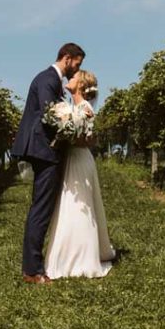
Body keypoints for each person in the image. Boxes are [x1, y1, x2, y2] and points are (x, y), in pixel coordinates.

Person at [10, 42, 85, 284]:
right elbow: (50, 113)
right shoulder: (47, 79)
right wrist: (73, 126)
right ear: (67, 57)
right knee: (40, 209)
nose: (77, 69)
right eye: (77, 63)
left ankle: (35, 266)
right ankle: (32, 271)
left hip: (46, 150)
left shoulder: (51, 80)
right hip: (44, 150)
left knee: (42, 207)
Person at [44, 70, 116, 279]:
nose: (69, 79)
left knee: (79, 206)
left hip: (80, 160)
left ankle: (80, 258)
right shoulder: (73, 107)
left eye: (73, 78)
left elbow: (88, 140)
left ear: (81, 85)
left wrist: (66, 135)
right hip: (72, 159)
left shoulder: (84, 109)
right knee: (67, 204)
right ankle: (65, 255)